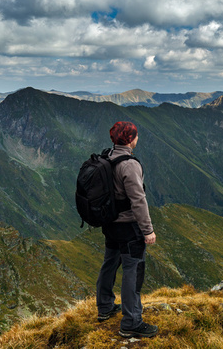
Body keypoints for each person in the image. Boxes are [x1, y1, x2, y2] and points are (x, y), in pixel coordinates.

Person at [96, 121, 158, 338]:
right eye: (135, 135)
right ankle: (131, 321)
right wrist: (147, 230)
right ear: (130, 139)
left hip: (110, 224)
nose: (137, 138)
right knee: (133, 270)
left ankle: (104, 307)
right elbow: (138, 200)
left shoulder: (107, 157)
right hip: (128, 227)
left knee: (110, 263)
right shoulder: (129, 164)